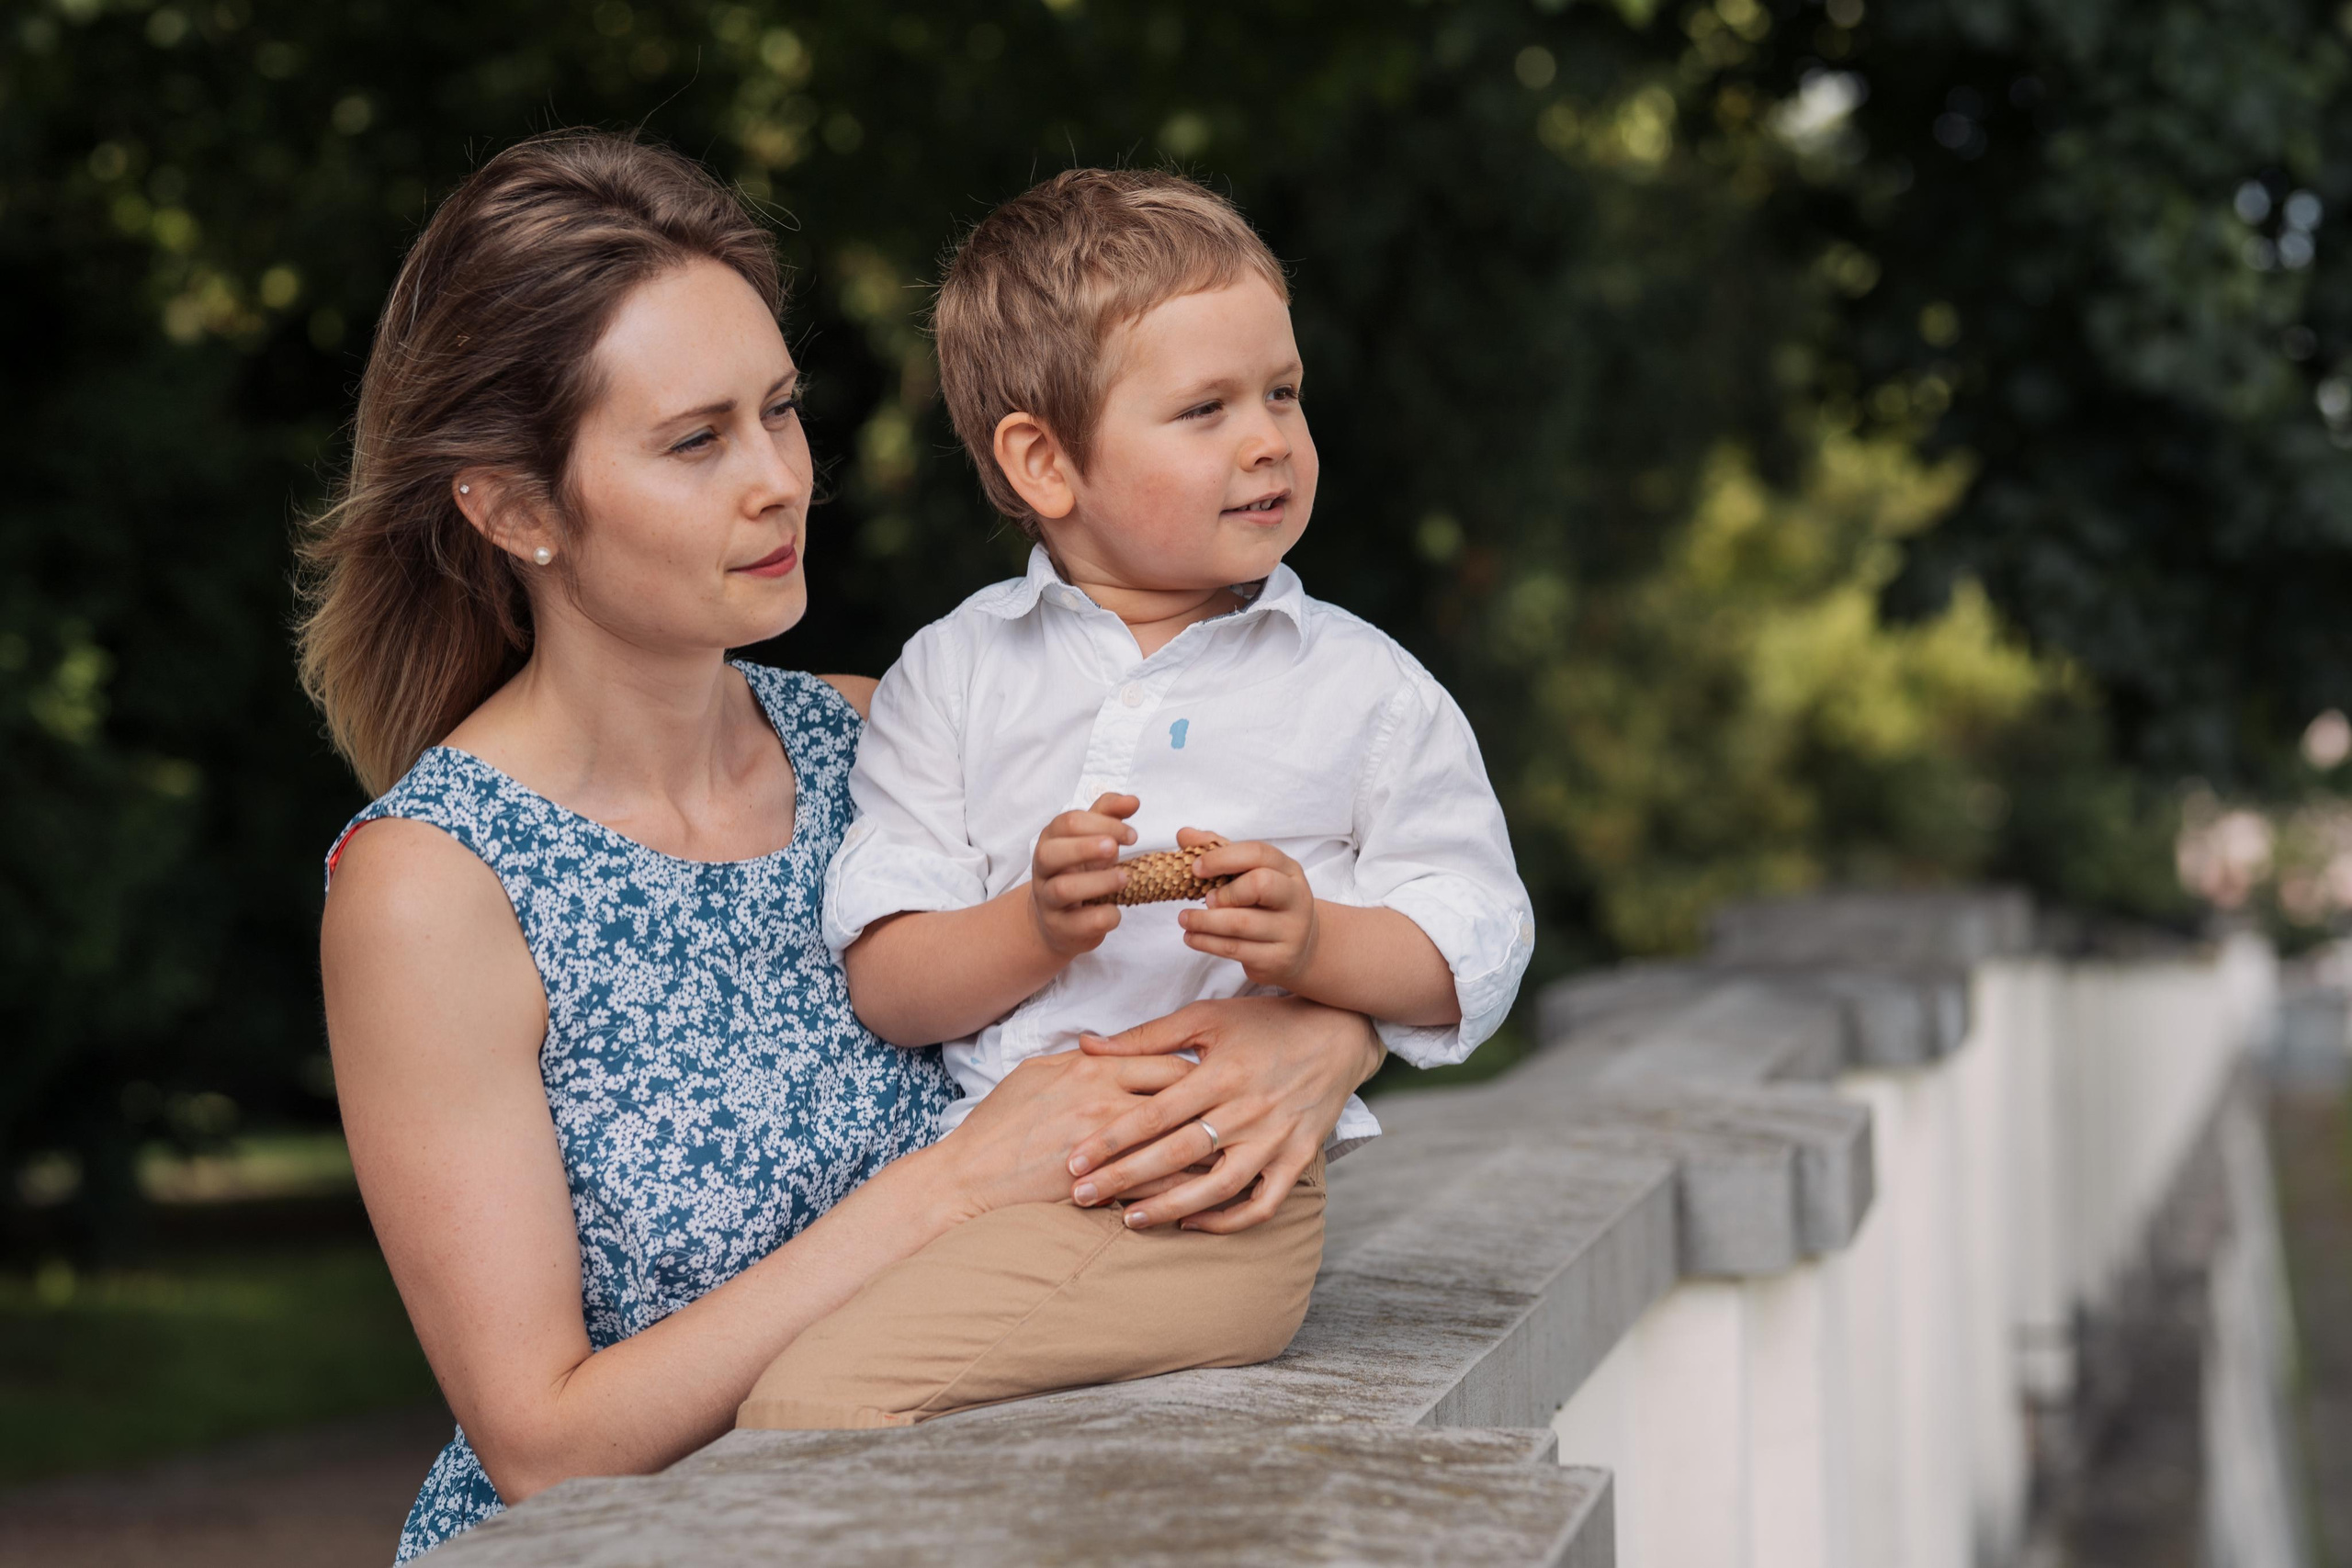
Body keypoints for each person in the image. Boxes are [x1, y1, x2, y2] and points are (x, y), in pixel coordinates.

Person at [298, 132, 1386, 1563]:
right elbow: (544, 1445)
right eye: (696, 441)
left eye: (781, 412)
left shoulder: (884, 737)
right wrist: (952, 1187)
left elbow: (1232, 890)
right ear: (514, 509)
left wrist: (1328, 1032)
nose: (779, 480)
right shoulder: (430, 888)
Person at [735, 170, 1533, 1431]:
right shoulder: (954, 675)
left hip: (1198, 1202)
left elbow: (1478, 939)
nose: (1268, 439)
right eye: (1205, 409)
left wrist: (1324, 945)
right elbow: (888, 982)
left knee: (814, 1409)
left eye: (1283, 393)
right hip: (981, 1171)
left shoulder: (1361, 689)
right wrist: (1034, 925)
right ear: (1045, 462)